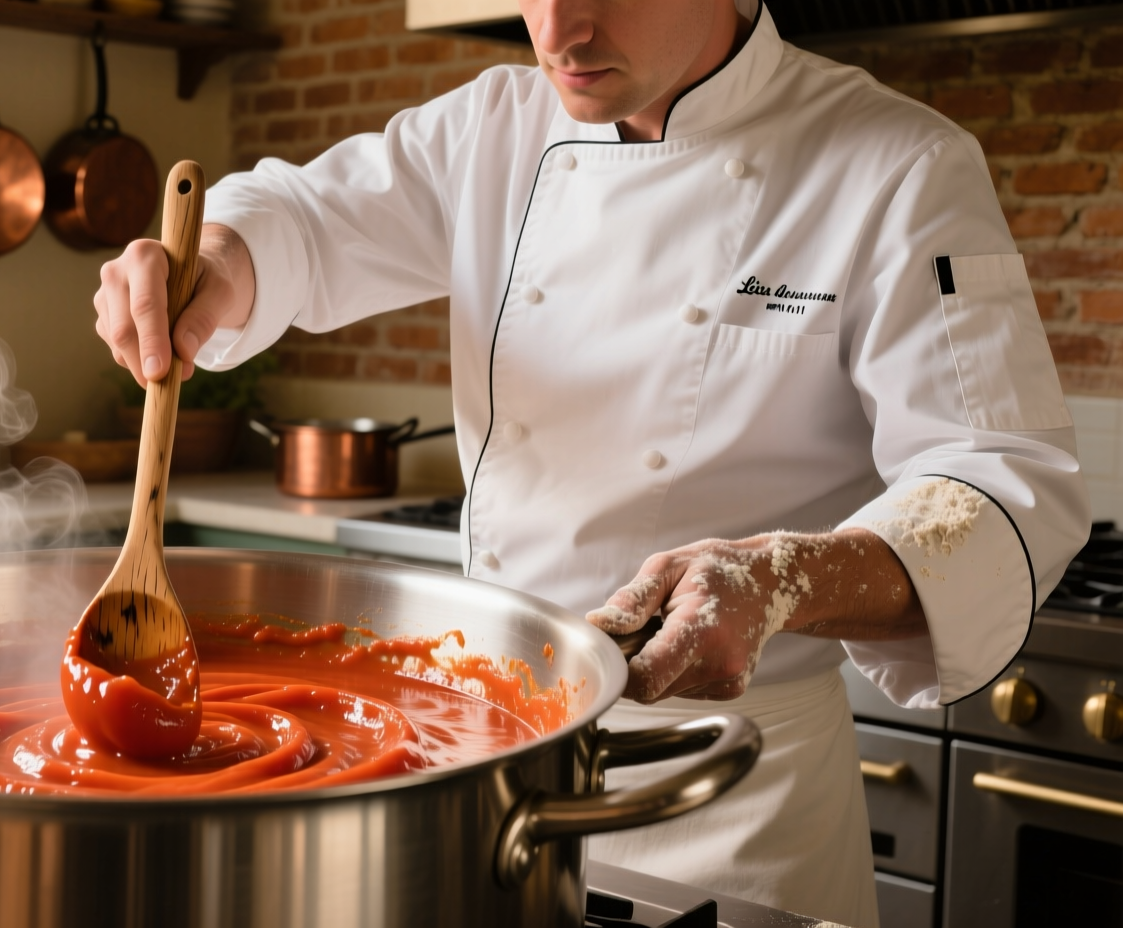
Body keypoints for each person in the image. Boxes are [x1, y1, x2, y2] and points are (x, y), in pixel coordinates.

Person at [92, 0, 1089, 923]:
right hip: (487, 769)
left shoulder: (895, 165)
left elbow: (1006, 480)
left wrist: (782, 577)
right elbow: (302, 217)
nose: (558, 32)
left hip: (730, 796)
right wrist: (218, 262)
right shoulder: (493, 128)